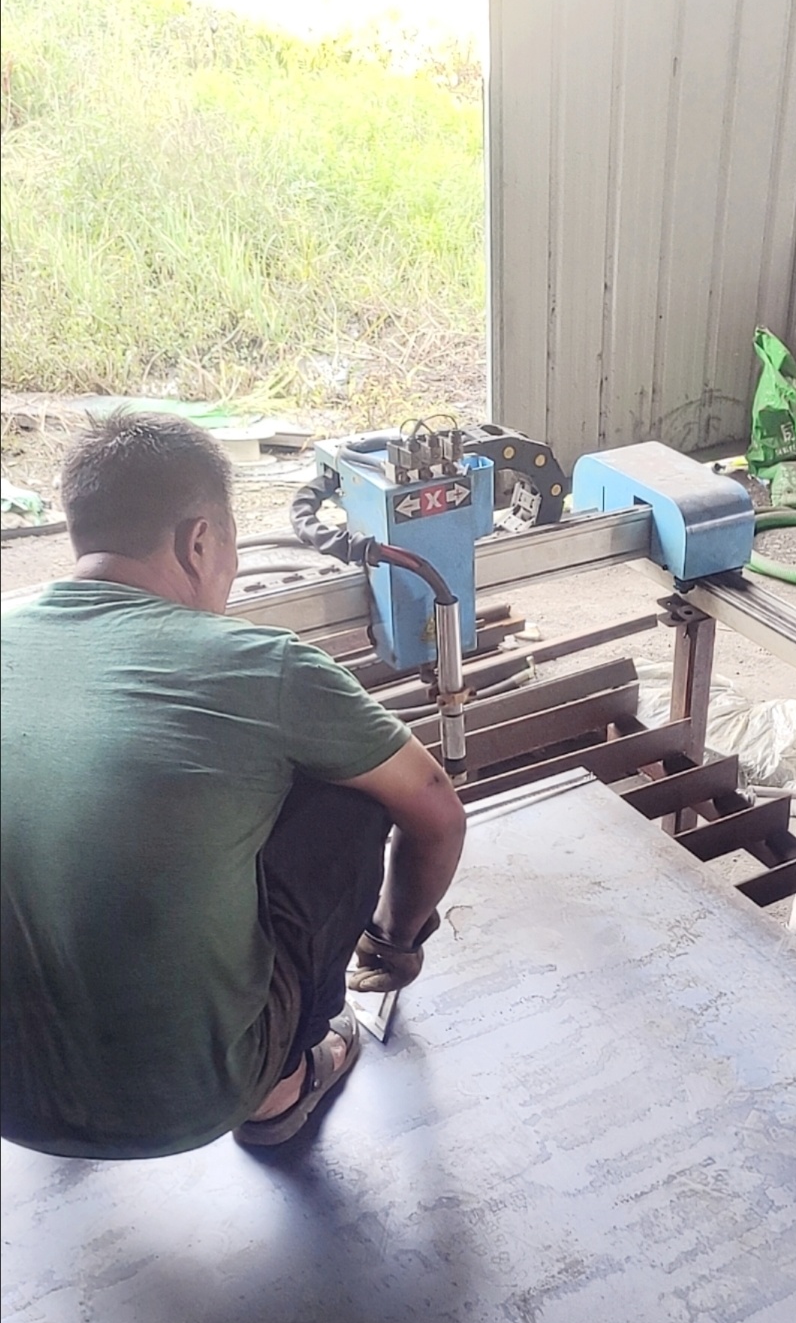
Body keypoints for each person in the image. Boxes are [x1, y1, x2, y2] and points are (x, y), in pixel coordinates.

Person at [0, 412, 466, 1158]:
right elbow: (437, 809)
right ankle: (279, 1087)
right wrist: (394, 940)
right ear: (199, 541)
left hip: (12, 1111)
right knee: (354, 793)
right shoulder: (261, 664)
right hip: (185, 1101)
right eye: (230, 548)